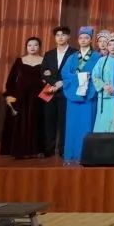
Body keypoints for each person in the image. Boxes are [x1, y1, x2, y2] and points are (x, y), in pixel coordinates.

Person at [1, 37, 46, 159]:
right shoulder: (20, 61)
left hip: (38, 97)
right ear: (26, 47)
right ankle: (19, 151)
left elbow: (49, 80)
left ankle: (37, 150)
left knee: (37, 122)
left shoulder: (44, 60)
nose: (32, 47)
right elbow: (11, 80)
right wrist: (11, 95)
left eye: (35, 45)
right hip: (21, 96)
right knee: (20, 123)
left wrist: (46, 97)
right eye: (29, 45)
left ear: (39, 47)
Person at [61, 26, 99, 163]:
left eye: (86, 38)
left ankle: (85, 154)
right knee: (72, 125)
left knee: (87, 124)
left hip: (89, 96)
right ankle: (71, 153)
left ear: (90, 40)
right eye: (81, 38)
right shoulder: (72, 57)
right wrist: (80, 78)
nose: (83, 40)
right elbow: (65, 74)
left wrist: (87, 80)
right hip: (73, 96)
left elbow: (98, 75)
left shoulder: (97, 57)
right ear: (78, 40)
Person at [41, 26, 75, 158]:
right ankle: (49, 149)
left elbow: (75, 73)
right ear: (55, 38)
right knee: (49, 121)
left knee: (64, 121)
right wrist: (55, 82)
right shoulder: (49, 54)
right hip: (49, 91)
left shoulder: (74, 53)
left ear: (68, 37)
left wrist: (62, 83)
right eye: (58, 35)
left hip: (66, 91)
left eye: (63, 35)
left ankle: (63, 149)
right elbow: (43, 72)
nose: (60, 37)